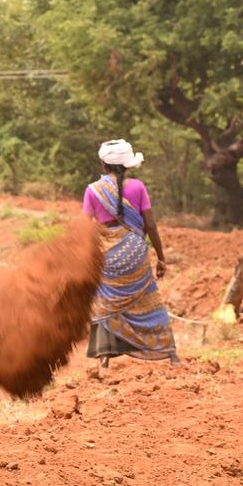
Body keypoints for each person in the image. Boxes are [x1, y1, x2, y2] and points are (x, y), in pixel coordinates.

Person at [83, 139, 179, 366]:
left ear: (103, 165)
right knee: (148, 298)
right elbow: (151, 225)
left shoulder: (93, 191)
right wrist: (161, 258)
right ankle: (170, 353)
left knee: (106, 300)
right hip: (136, 250)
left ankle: (104, 356)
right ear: (126, 166)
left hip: (108, 253)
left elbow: (84, 228)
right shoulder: (138, 187)